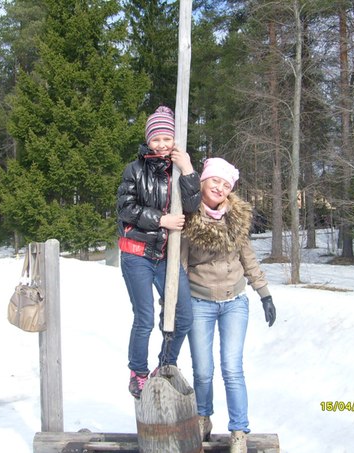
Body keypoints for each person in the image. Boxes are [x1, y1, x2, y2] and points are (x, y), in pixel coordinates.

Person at [181, 157, 276, 453]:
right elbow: (179, 265)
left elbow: (248, 258)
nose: (219, 188)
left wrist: (265, 294)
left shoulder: (237, 217)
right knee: (203, 370)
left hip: (234, 302)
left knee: (232, 368)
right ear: (203, 181)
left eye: (226, 184)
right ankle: (203, 418)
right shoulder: (188, 216)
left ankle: (238, 431)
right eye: (215, 181)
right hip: (199, 302)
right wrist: (173, 303)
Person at [117, 106, 201, 399]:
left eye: (167, 138)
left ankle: (165, 364)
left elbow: (191, 207)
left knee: (184, 316)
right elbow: (126, 209)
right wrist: (161, 220)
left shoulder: (178, 169)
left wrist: (188, 170)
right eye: (156, 139)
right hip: (137, 253)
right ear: (148, 140)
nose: (162, 144)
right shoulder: (134, 170)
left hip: (166, 255)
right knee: (145, 317)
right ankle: (138, 373)